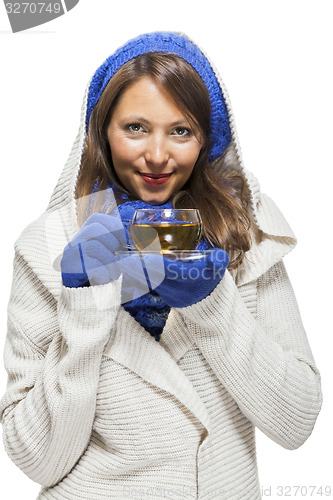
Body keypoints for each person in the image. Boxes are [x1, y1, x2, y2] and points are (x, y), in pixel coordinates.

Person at [0, 31, 322, 500]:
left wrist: (213, 307)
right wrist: (86, 306)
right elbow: (37, 458)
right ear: (101, 132)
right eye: (135, 127)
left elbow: (297, 421)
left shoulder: (245, 233)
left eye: (181, 130)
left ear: (208, 139)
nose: (156, 155)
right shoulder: (47, 247)